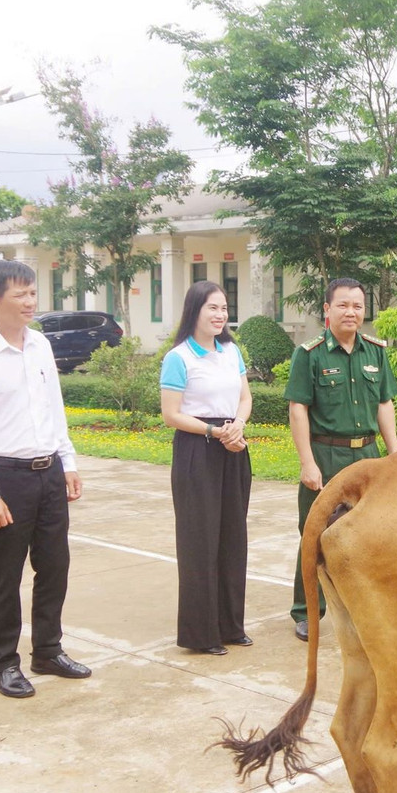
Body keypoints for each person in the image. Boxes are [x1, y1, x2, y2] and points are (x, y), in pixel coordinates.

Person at [0, 259, 91, 698]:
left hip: (48, 473)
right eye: (20, 294)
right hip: (4, 478)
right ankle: (3, 663)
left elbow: (53, 407)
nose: (31, 302)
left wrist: (69, 460)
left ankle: (47, 650)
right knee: (5, 575)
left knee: (55, 566)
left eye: (32, 292)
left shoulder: (40, 346)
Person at [284, 278, 397, 640]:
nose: (351, 312)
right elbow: (298, 408)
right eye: (343, 305)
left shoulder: (375, 351)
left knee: (368, 535)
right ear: (327, 310)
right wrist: (307, 462)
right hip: (326, 453)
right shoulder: (310, 353)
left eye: (358, 306)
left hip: (367, 455)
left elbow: (384, 404)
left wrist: (394, 455)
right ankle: (307, 611)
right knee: (314, 534)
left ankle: (361, 604)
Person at [159, 281, 254, 656]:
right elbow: (171, 415)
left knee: (233, 538)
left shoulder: (231, 351)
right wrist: (216, 431)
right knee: (200, 541)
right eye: (212, 308)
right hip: (197, 451)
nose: (220, 315)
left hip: (234, 446)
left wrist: (238, 426)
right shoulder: (179, 357)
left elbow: (244, 398)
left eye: (224, 308)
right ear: (194, 311)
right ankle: (202, 634)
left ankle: (231, 626)